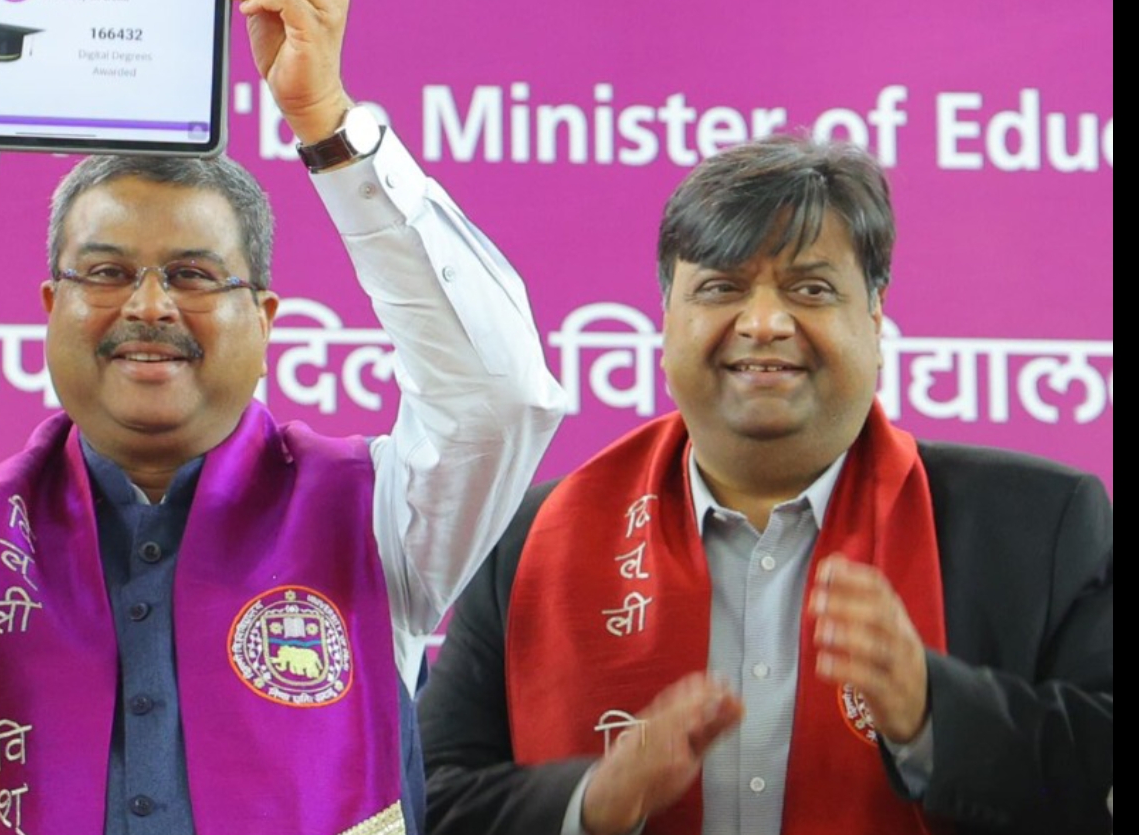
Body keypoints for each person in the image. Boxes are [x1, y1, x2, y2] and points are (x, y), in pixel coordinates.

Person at [0, 0, 569, 834]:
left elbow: (499, 400)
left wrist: (329, 125)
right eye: (105, 273)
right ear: (51, 307)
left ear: (266, 318)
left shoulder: (377, 517)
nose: (148, 306)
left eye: (194, 275)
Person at [416, 136, 1114, 835]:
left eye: (811, 289)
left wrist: (934, 714)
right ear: (665, 322)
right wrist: (593, 800)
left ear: (875, 319)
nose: (764, 324)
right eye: (721, 288)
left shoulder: (1040, 527)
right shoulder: (532, 540)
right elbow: (429, 803)